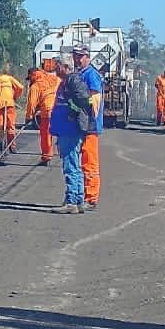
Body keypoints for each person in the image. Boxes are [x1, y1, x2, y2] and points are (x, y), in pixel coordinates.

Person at [68, 45, 105, 209]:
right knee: (81, 161)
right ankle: (82, 195)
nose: (77, 59)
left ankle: (91, 198)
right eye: (75, 56)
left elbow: (94, 101)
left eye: (80, 56)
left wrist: (89, 120)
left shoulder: (91, 75)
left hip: (89, 125)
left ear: (87, 57)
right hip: (81, 125)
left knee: (89, 161)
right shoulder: (79, 74)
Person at [48, 59, 85, 212]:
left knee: (70, 165)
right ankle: (78, 199)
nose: (55, 69)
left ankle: (71, 202)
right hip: (65, 129)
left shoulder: (72, 81)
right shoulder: (67, 82)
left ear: (66, 67)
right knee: (74, 165)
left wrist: (72, 113)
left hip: (69, 130)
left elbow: (83, 101)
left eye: (58, 66)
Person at [25, 59, 60, 165]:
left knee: (46, 134)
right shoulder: (54, 78)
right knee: (61, 132)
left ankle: (46, 156)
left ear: (32, 75)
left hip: (47, 111)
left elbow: (31, 103)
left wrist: (29, 117)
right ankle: (63, 151)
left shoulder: (35, 86)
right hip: (59, 109)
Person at [0, 63, 25, 158]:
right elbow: (21, 87)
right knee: (10, 125)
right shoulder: (9, 78)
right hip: (9, 103)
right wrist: (15, 96)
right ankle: (12, 146)